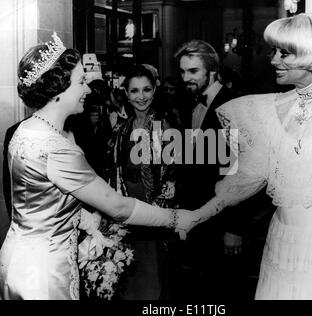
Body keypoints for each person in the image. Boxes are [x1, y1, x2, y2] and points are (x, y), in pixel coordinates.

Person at [0, 32, 196, 300]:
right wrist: (177, 218)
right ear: (59, 89)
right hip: (44, 273)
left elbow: (41, 204)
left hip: (19, 258)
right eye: (81, 81)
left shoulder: (26, 129)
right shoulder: (56, 146)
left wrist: (88, 222)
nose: (88, 89)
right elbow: (118, 206)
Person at [188, 13, 312, 300]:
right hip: (281, 240)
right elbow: (245, 178)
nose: (273, 60)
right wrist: (199, 214)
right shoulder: (271, 111)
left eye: (284, 53)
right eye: (273, 51)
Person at [174, 39, 274, 299]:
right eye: (182, 71)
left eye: (193, 71)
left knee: (226, 290)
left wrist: (235, 228)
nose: (186, 77)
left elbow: (247, 175)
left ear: (213, 71)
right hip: (196, 218)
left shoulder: (236, 107)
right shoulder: (186, 104)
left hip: (225, 222)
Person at [100, 64, 180, 300]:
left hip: (154, 218)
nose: (141, 97)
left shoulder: (165, 124)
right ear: (126, 93)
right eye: (134, 91)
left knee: (153, 284)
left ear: (154, 90)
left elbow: (172, 174)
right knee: (129, 283)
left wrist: (155, 212)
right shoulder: (121, 129)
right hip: (125, 217)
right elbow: (113, 172)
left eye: (146, 90)